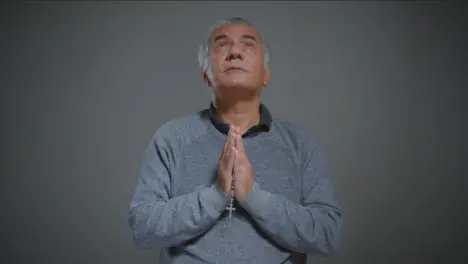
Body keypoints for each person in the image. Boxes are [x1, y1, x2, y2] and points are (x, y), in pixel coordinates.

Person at [128, 17, 343, 264]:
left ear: (266, 74)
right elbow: (142, 228)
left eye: (248, 45)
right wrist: (216, 195)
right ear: (205, 75)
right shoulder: (170, 139)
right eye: (222, 45)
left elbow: (330, 234)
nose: (235, 52)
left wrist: (252, 196)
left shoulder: (301, 144)